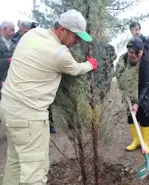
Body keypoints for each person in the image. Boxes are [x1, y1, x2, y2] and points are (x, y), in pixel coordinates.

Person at [0, 9, 98, 185]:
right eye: (76, 37)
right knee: (35, 174)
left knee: (15, 164)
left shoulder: (32, 34)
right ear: (62, 29)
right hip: (29, 117)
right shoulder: (59, 53)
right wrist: (90, 65)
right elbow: (75, 69)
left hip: (7, 108)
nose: (77, 42)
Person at [116, 37, 149, 153]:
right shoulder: (123, 60)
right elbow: (119, 75)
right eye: (131, 52)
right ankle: (136, 141)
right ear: (127, 50)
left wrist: (137, 103)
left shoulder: (147, 63)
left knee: (145, 115)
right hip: (131, 91)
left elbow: (147, 86)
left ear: (142, 51)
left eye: (138, 52)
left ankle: (145, 143)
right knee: (131, 116)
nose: (134, 55)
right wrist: (123, 87)